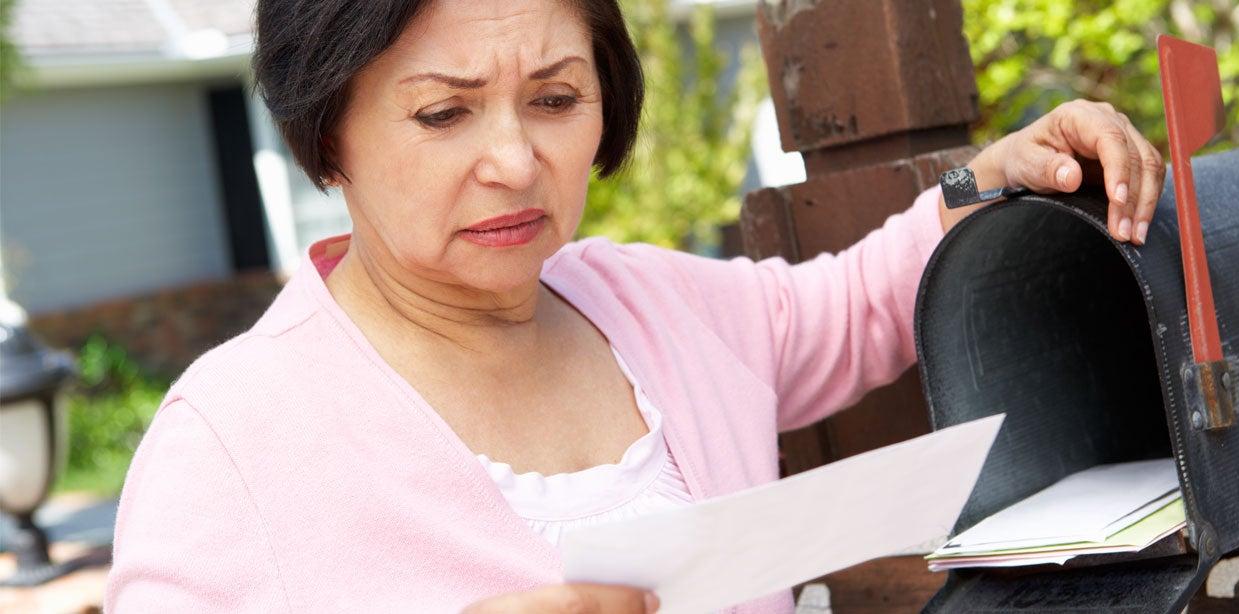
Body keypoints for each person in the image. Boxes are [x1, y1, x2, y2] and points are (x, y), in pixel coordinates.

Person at [103, 1, 1165, 612]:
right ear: (325, 132)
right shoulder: (230, 437)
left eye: (556, 100)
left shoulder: (650, 302)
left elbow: (847, 307)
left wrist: (993, 179)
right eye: (444, 113)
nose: (516, 160)